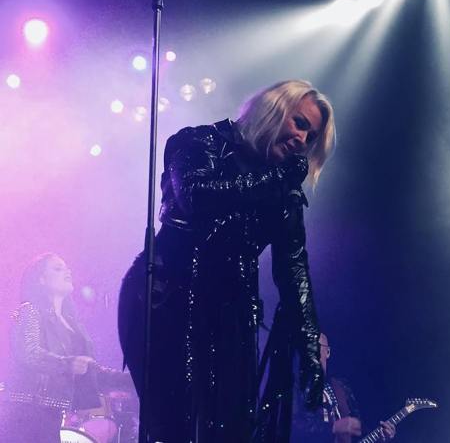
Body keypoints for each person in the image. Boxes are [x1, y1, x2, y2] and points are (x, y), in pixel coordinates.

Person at [118, 80, 336, 442]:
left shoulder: (283, 187)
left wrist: (310, 348)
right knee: (175, 425)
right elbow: (196, 199)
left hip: (230, 312)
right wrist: (275, 179)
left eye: (310, 136)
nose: (302, 139)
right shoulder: (200, 142)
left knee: (232, 429)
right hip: (166, 297)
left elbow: (293, 268)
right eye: (299, 123)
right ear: (273, 109)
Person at [0, 253, 128, 443]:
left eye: (67, 268)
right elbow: (28, 352)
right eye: (57, 268)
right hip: (25, 411)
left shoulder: (71, 325)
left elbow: (88, 370)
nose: (67, 271)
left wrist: (130, 380)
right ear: (41, 279)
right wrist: (67, 364)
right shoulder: (30, 310)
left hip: (51, 414)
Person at [292, 333, 396, 443]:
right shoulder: (295, 387)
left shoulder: (340, 386)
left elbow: (357, 429)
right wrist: (332, 428)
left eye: (316, 346)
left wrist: (380, 436)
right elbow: (293, 428)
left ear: (328, 352)